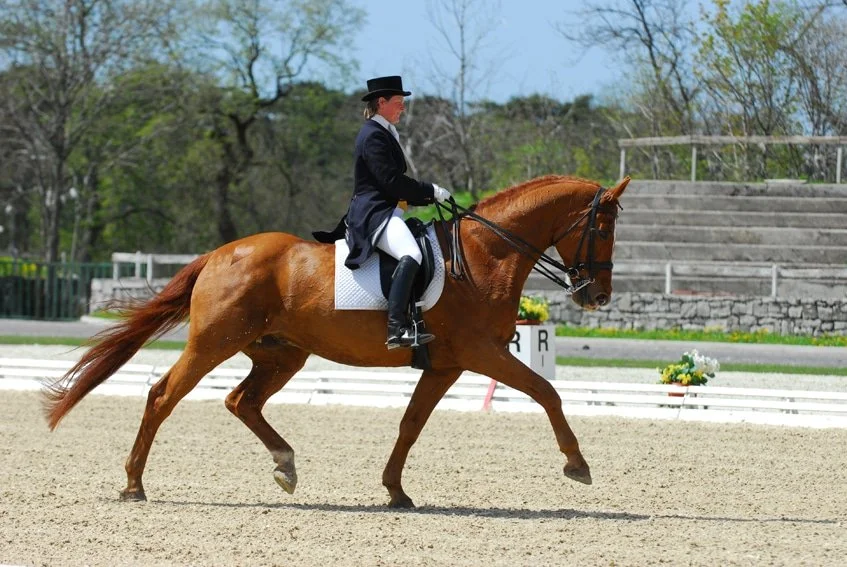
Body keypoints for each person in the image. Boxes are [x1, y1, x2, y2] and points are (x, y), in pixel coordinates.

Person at [323, 75, 452, 349]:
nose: (403, 108)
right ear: (381, 102)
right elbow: (390, 181)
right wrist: (430, 191)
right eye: (399, 102)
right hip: (374, 213)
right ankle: (397, 328)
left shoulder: (385, 132)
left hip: (389, 210)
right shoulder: (372, 134)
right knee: (412, 253)